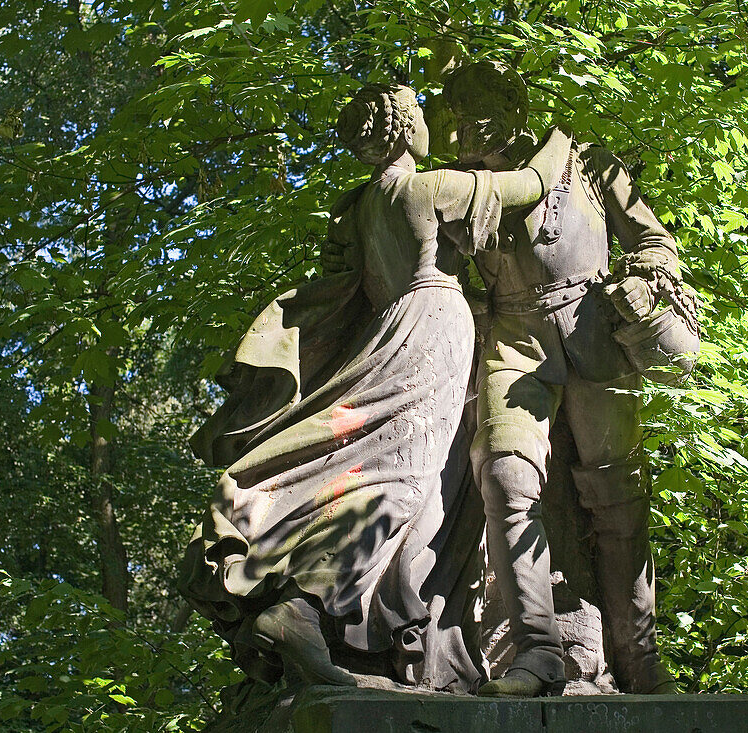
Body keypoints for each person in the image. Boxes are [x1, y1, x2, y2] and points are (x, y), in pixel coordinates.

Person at [177, 82, 571, 695]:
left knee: (382, 469)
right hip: (434, 330)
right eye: (418, 114)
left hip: (390, 329)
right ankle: (307, 603)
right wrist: (559, 145)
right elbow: (529, 187)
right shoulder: (427, 186)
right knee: (405, 479)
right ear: (399, 128)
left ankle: (329, 620)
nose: (427, 124)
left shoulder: (358, 208)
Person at [442, 62, 698, 697]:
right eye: (460, 108)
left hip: (594, 329)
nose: (472, 120)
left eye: (485, 103)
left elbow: (657, 243)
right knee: (503, 471)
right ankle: (537, 653)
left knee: (617, 502)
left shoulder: (589, 163)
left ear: (516, 103)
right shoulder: (466, 190)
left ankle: (639, 662)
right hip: (514, 337)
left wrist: (645, 276)